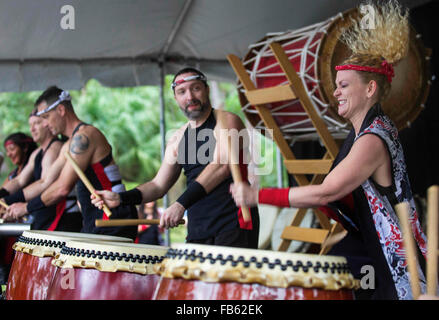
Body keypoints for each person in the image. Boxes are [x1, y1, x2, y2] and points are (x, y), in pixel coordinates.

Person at [230, 1, 430, 300]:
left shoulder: (372, 140)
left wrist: (256, 195)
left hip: (397, 263)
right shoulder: (365, 131)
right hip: (375, 250)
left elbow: (326, 192)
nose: (336, 92)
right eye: (336, 85)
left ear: (370, 89)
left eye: (344, 85)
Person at [92, 67, 260, 248]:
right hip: (198, 227)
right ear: (176, 99)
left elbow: (221, 166)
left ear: (207, 90)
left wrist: (180, 204)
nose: (190, 96)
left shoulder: (226, 121)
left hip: (233, 222)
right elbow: (157, 185)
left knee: (229, 277)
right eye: (182, 92)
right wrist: (121, 198)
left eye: (195, 88)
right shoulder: (178, 138)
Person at [4, 86, 137, 239]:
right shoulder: (70, 143)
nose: (45, 124)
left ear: (61, 110)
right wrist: (6, 199)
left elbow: (62, 188)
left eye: (46, 117)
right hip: (96, 217)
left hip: (113, 215)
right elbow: (45, 182)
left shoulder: (85, 136)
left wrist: (26, 207)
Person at [0, 109, 82, 231]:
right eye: (30, 125)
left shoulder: (55, 148)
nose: (32, 129)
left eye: (36, 123)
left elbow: (45, 183)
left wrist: (8, 199)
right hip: (48, 214)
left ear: (47, 124)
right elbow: (19, 180)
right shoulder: (38, 152)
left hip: (63, 216)